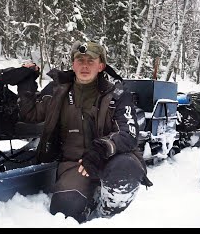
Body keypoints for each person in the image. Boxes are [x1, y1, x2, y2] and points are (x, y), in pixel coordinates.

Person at [16, 40, 152, 223]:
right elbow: (30, 113)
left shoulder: (118, 95)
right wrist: (26, 80)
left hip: (112, 159)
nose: (85, 66)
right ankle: (87, 197)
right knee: (64, 212)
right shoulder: (58, 91)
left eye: (91, 61)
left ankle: (107, 211)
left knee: (125, 169)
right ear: (73, 64)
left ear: (101, 66)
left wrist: (101, 149)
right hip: (76, 166)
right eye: (80, 60)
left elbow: (129, 134)